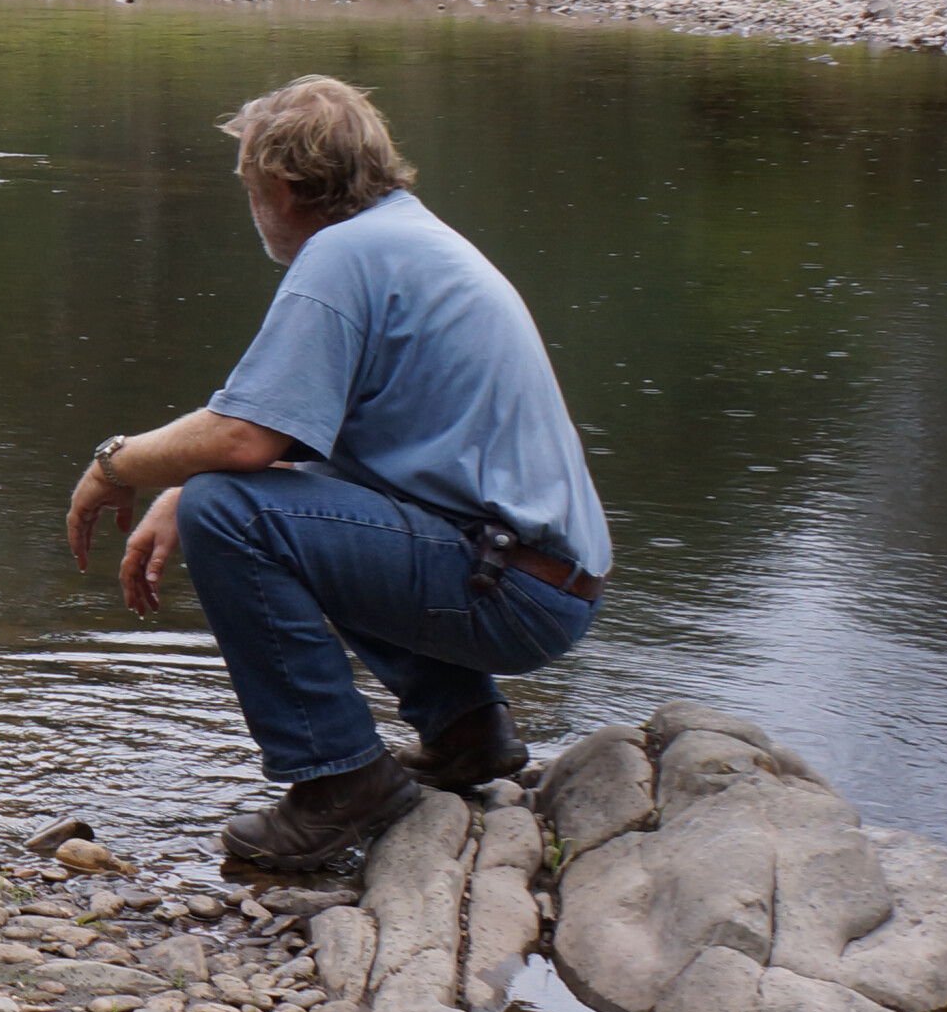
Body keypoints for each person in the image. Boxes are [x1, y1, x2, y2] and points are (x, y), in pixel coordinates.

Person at [63, 75, 611, 867]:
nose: (250, 203)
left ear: (282, 187)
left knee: (229, 510)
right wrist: (180, 482)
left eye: (249, 186)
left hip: (512, 589)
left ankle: (339, 780)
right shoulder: (403, 236)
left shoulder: (342, 256)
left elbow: (244, 438)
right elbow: (293, 438)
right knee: (237, 499)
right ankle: (465, 732)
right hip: (543, 580)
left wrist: (116, 462)